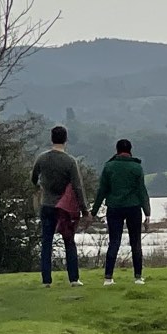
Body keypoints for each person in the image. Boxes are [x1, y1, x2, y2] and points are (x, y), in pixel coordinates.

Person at [30, 125, 88, 292]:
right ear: (65, 139)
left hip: (47, 204)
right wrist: (84, 210)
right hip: (64, 207)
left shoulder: (42, 159)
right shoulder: (70, 161)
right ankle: (74, 278)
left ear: (51, 138)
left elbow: (33, 178)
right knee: (69, 241)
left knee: (46, 242)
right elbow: (78, 187)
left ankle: (46, 279)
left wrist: (40, 186)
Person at [92, 137, 150, 285]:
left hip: (114, 208)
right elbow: (142, 191)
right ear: (130, 150)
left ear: (117, 150)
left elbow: (102, 190)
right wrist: (147, 212)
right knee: (135, 242)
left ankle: (108, 277)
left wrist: (93, 211)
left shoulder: (109, 166)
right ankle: (137, 277)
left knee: (114, 242)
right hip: (133, 207)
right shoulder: (137, 168)